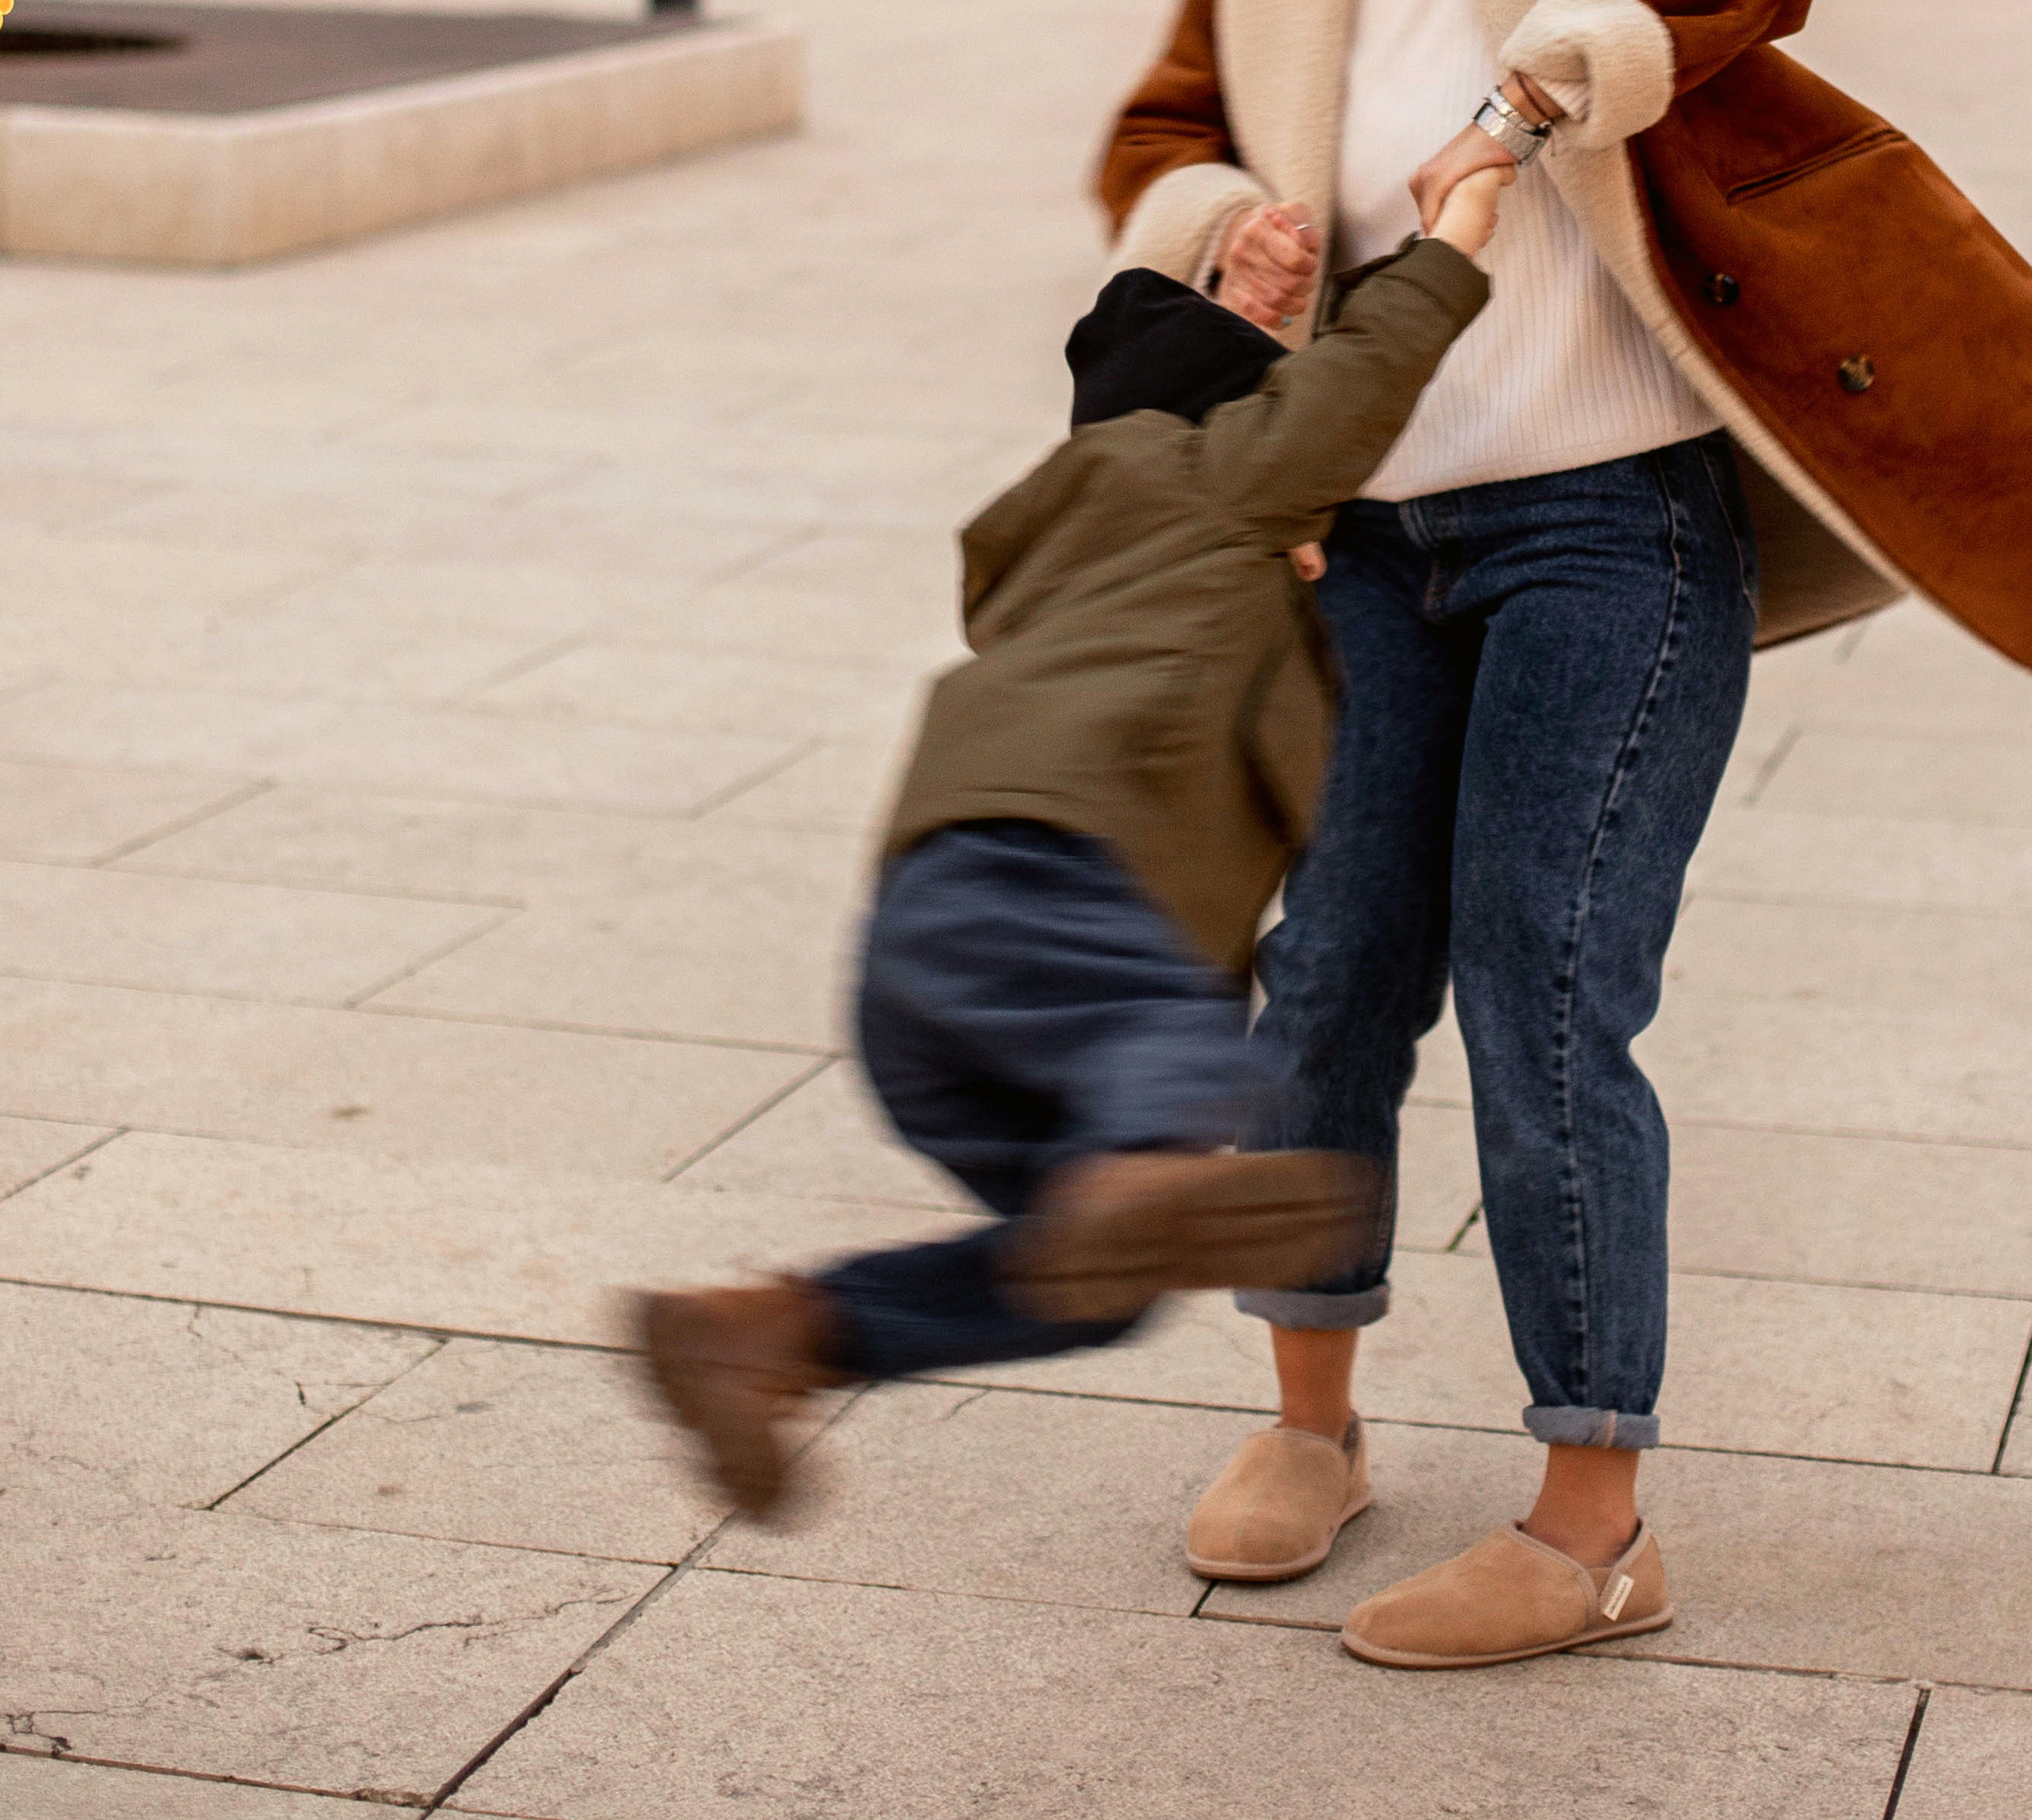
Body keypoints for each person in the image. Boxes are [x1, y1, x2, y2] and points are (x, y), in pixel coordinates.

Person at [1098, 0, 2032, 1670]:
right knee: (1332, 971)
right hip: (1367, 536)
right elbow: (1157, 139)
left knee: (1544, 979)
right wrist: (1225, 220)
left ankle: (1591, 1522)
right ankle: (1310, 1426)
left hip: (1607, 525)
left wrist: (1529, 99)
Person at [633, 170, 1505, 1527]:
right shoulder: (1218, 482)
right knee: (1185, 1076)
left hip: (926, 966)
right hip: (1063, 903)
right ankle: (1145, 1152)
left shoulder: (1052, 551)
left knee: (1091, 1281)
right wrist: (1456, 235)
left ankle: (774, 1332)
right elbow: (1361, 380)